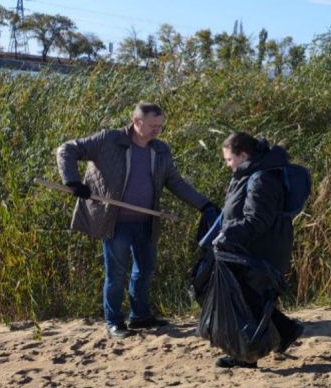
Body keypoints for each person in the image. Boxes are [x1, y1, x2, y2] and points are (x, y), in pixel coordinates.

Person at [56, 103, 217, 338]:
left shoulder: (160, 150)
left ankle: (140, 316)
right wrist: (72, 181)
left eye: (160, 126)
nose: (157, 131)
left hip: (146, 221)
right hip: (115, 221)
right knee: (117, 273)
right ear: (136, 122)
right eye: (153, 125)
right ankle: (113, 322)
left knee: (145, 269)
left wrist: (205, 205)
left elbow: (176, 182)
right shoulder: (109, 140)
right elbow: (66, 149)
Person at [211, 131, 305, 369]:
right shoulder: (250, 173)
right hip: (252, 248)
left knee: (246, 302)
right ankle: (285, 331)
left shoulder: (261, 178)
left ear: (243, 155)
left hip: (261, 251)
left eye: (229, 160)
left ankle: (245, 356)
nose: (227, 165)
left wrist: (227, 234)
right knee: (253, 299)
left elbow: (257, 220)